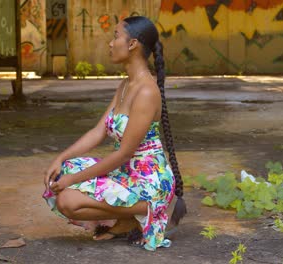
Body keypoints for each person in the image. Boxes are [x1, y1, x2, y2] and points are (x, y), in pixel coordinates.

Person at [42, 16, 186, 251]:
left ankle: (147, 208)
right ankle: (127, 219)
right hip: (125, 173)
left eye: (116, 36)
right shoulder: (125, 85)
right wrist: (60, 159)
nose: (110, 43)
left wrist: (72, 180)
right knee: (60, 174)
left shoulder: (147, 92)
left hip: (147, 182)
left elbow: (123, 154)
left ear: (132, 44)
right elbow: (98, 131)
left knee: (68, 199)